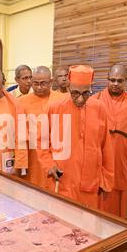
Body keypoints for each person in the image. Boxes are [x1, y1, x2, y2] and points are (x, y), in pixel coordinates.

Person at [37, 65, 114, 211]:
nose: (80, 98)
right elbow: (42, 142)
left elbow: (106, 147)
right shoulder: (54, 107)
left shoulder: (100, 108)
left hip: (91, 181)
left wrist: (106, 180)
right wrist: (49, 165)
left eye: (86, 93)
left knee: (87, 225)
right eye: (75, 93)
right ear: (69, 87)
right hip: (62, 179)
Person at [93, 64, 127, 218]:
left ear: (126, 81)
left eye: (120, 81)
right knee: (98, 193)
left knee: (117, 196)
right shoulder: (95, 100)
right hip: (99, 159)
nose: (115, 84)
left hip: (120, 159)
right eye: (112, 80)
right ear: (107, 79)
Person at [17, 66, 65, 189]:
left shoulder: (63, 99)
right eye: (35, 83)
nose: (39, 87)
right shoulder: (22, 102)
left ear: (51, 82)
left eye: (43, 83)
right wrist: (22, 163)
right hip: (33, 157)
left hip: (57, 154)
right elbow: (20, 135)